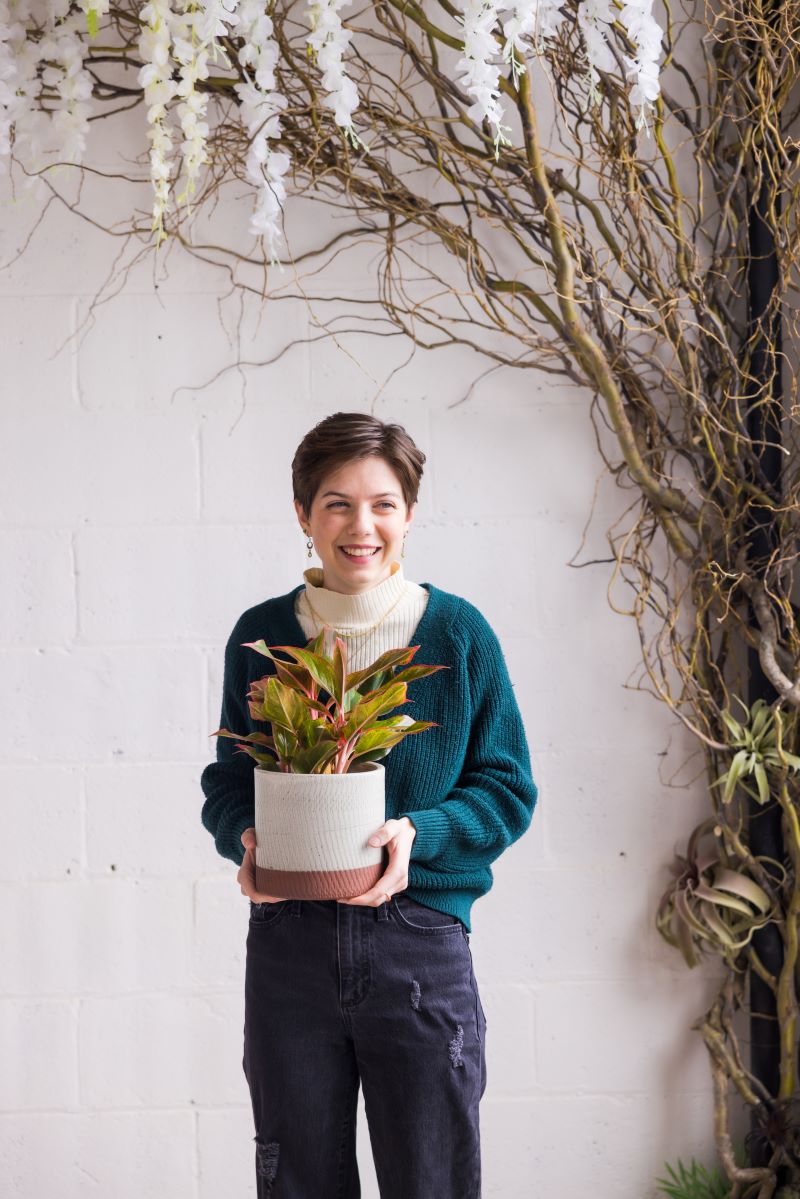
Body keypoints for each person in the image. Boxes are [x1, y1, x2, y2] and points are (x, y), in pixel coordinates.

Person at [200, 411, 539, 1198]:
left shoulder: (457, 635)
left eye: (383, 503)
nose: (362, 525)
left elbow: (507, 788)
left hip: (419, 945)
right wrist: (247, 839)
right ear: (304, 516)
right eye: (337, 503)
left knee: (431, 1181)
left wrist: (420, 833)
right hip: (291, 944)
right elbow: (227, 778)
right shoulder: (264, 634)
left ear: (410, 514)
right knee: (299, 1182)